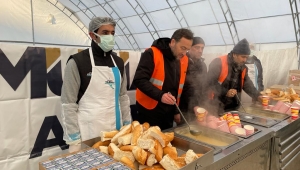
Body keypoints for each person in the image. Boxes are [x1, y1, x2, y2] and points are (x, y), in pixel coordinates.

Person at [61, 17, 131, 152]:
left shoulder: (119, 62)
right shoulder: (77, 62)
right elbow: (68, 103)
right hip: (89, 134)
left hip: (116, 133)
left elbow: (123, 97)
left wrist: (127, 126)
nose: (110, 36)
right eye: (105, 33)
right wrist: (74, 139)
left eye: (112, 33)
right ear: (92, 35)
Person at [133, 28, 194, 130]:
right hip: (149, 111)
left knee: (165, 142)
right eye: (182, 48)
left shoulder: (184, 60)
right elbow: (139, 80)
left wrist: (176, 111)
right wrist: (161, 95)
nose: (184, 53)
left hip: (168, 113)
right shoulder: (152, 53)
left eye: (187, 50)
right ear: (173, 42)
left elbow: (179, 88)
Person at [205, 38, 260, 115]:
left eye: (246, 57)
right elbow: (210, 82)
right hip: (216, 105)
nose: (245, 60)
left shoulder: (243, 67)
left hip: (233, 106)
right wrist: (225, 92)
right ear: (234, 54)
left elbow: (247, 85)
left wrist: (258, 96)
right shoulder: (219, 62)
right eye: (243, 57)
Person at [179, 37, 207, 121]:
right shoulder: (182, 62)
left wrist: (206, 104)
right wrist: (194, 105)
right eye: (197, 47)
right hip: (185, 107)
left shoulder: (203, 65)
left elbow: (204, 86)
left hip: (199, 106)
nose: (200, 51)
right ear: (190, 48)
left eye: (202, 48)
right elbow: (186, 87)